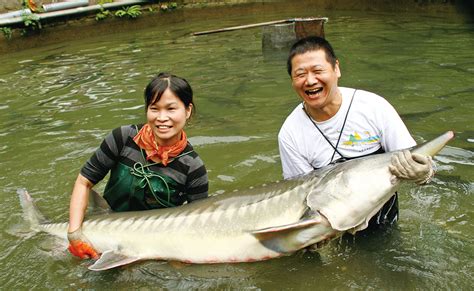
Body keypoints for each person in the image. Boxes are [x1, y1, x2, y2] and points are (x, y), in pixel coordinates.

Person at [278, 36, 434, 230]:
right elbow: (300, 199)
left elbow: (419, 160)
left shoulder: (374, 107)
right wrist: (311, 233)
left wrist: (423, 173)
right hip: (331, 227)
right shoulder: (290, 133)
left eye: (318, 71)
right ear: (292, 80)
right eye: (300, 74)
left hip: (384, 219)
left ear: (336, 69)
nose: (310, 80)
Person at [67, 72, 209, 259]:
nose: (162, 117)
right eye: (154, 108)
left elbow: (196, 226)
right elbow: (84, 182)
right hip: (106, 222)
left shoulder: (193, 167)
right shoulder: (122, 138)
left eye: (171, 109)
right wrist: (74, 234)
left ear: (187, 110)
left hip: (154, 242)